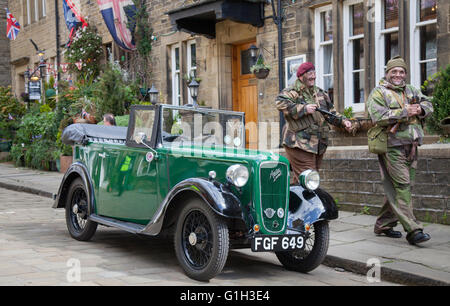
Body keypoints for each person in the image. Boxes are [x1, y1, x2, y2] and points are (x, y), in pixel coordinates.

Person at [367, 56, 433, 245]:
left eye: (401, 71)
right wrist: (405, 112)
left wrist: (420, 109)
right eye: (394, 71)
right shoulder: (379, 93)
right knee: (402, 187)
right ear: (387, 73)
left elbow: (429, 104)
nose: (398, 75)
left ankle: (383, 224)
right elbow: (377, 116)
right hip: (391, 146)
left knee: (404, 187)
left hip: (411, 146)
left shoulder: (412, 89)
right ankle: (413, 230)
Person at [275, 62, 353, 184]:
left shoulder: (320, 93)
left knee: (305, 179)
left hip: (318, 144)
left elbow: (330, 113)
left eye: (314, 73)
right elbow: (280, 103)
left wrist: (343, 121)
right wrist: (303, 109)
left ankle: (288, 201)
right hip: (299, 143)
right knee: (309, 179)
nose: (313, 76)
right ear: (301, 76)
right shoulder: (292, 92)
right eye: (309, 73)